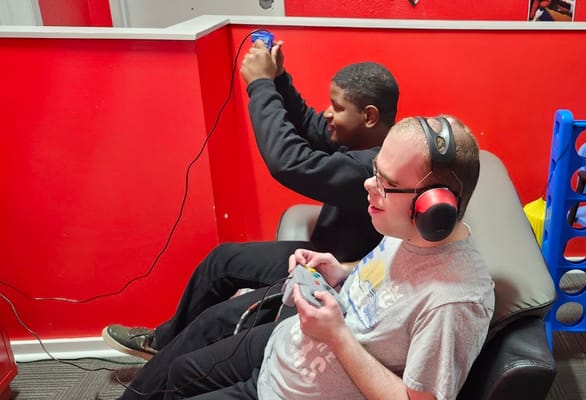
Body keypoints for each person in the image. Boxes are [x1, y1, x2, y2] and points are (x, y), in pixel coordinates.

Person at [131, 115, 494, 400]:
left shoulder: (453, 301)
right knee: (178, 373)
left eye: (384, 183)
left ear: (433, 209)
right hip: (284, 347)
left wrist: (337, 337)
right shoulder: (410, 232)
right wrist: (342, 271)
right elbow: (387, 283)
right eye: (374, 172)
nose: (369, 186)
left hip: (289, 391)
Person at [102, 38, 399, 367]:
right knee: (223, 261)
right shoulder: (362, 138)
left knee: (215, 322)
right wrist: (280, 78)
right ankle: (165, 342)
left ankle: (166, 372)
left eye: (338, 107)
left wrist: (260, 85)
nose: (328, 113)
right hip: (318, 254)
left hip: (336, 276)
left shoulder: (373, 168)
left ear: (369, 116)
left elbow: (289, 162)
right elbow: (312, 124)